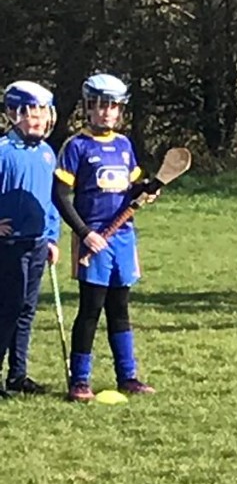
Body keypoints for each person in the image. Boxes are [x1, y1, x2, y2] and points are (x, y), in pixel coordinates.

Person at [53, 73, 160, 401]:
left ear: (120, 110)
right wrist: (85, 234)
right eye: (100, 105)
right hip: (93, 239)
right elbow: (60, 196)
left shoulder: (124, 145)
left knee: (120, 309)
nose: (106, 112)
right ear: (88, 108)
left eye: (112, 106)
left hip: (123, 238)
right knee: (91, 308)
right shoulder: (77, 146)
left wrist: (147, 190)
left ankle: (128, 376)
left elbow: (132, 188)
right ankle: (80, 381)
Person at [0, 81, 60, 397]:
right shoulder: (2, 152)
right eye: (30, 114)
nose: (38, 121)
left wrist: (52, 238)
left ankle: (18, 374)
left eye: (42, 114)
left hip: (37, 243)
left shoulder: (47, 153)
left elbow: (49, 201)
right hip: (9, 245)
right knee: (7, 310)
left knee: (26, 310)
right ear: (13, 114)